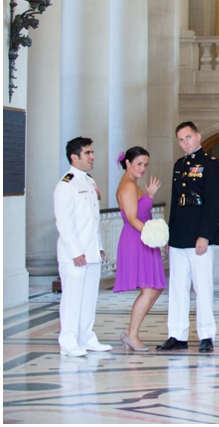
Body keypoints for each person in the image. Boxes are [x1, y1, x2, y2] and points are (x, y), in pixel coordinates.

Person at [157, 122, 219, 354]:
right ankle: (177, 334)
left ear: (198, 136)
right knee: (177, 286)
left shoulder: (211, 165)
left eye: (188, 137)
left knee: (202, 287)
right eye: (181, 139)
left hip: (199, 235)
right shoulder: (179, 166)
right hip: (179, 235)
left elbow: (216, 204)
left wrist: (205, 235)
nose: (185, 142)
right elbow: (176, 203)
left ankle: (206, 335)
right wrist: (170, 234)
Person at [53, 137, 113, 356]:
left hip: (91, 252)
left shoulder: (88, 181)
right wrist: (76, 252)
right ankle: (68, 340)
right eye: (87, 153)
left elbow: (92, 220)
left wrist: (97, 247)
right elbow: (64, 223)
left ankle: (86, 336)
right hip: (74, 254)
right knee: (72, 297)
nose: (92, 156)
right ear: (74, 157)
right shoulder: (66, 184)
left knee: (88, 297)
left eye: (92, 152)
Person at [113, 146, 165, 352]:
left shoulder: (133, 184)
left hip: (143, 237)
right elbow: (133, 218)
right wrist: (156, 236)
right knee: (149, 289)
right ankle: (132, 335)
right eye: (139, 164)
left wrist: (149, 195)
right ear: (127, 163)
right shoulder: (127, 186)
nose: (143, 168)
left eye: (145, 164)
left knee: (156, 287)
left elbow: (141, 209)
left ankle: (130, 331)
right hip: (136, 238)